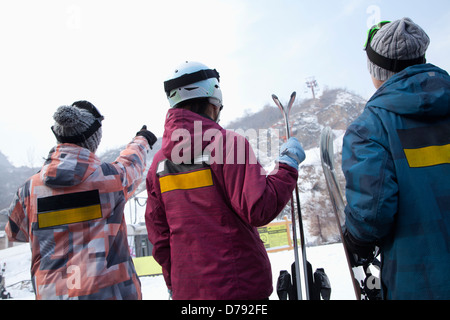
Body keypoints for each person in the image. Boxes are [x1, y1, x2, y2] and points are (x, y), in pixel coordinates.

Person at [145, 61, 305, 300]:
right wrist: (287, 166)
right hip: (240, 287)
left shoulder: (158, 163)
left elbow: (159, 236)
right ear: (214, 101)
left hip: (187, 292)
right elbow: (259, 208)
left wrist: (173, 283)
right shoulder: (228, 144)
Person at [342, 18, 450, 300]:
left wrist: (356, 240)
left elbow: (373, 215)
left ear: (378, 71)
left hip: (420, 281)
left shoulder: (370, 128)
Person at [5, 101, 157, 300]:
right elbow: (132, 162)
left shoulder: (30, 190)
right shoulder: (111, 180)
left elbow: (14, 233)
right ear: (93, 140)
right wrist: (142, 139)